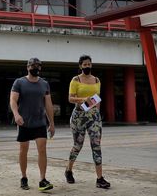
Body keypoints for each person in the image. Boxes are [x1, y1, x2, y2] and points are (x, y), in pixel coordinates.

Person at [10, 57, 56, 191]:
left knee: (42, 149)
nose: (36, 68)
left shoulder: (44, 84)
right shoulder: (19, 82)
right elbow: (13, 100)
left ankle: (43, 180)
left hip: (40, 122)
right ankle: (24, 177)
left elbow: (48, 104)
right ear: (28, 67)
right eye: (33, 66)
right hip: (24, 122)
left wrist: (51, 123)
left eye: (38, 66)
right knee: (23, 150)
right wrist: (16, 114)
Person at [65, 54, 110, 189]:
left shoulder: (96, 80)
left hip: (94, 117)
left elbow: (97, 98)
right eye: (84, 64)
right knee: (77, 145)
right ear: (80, 66)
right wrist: (83, 99)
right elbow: (70, 98)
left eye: (89, 64)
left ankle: (100, 178)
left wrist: (97, 115)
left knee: (96, 146)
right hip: (79, 116)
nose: (87, 66)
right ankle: (68, 170)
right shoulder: (75, 80)